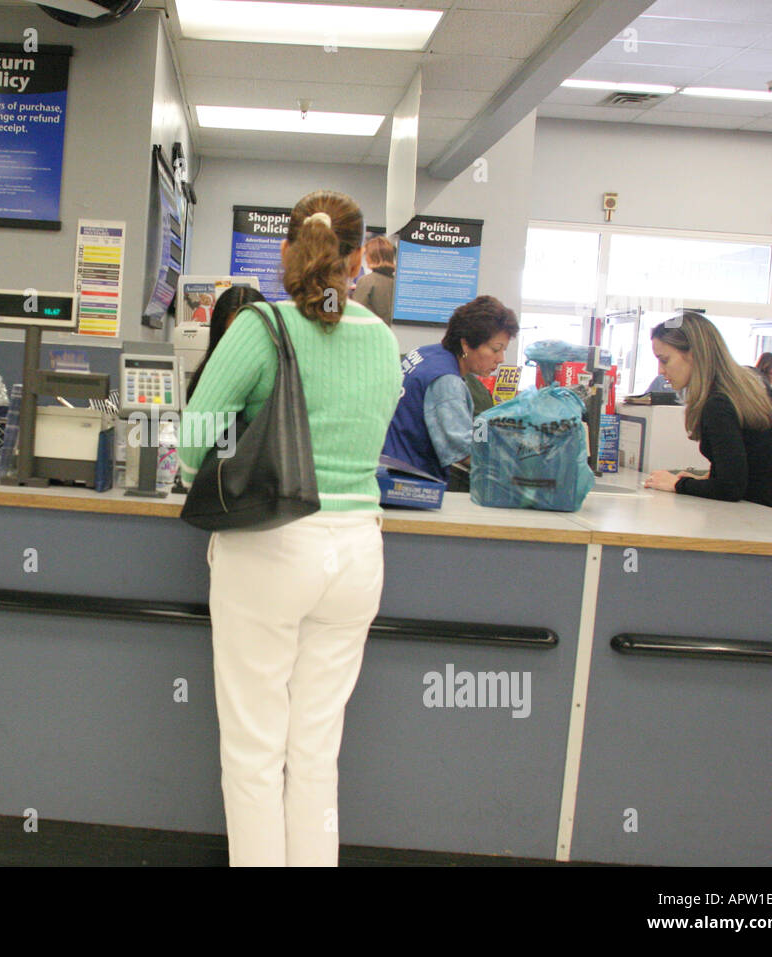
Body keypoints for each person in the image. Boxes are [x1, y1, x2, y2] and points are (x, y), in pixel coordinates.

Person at [178, 190, 401, 867]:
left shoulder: (261, 326)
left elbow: (193, 443)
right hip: (358, 549)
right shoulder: (385, 340)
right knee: (316, 748)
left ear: (288, 249)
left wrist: (244, 432)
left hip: (273, 544)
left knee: (253, 747)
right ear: (361, 257)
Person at [643, 311, 772, 516]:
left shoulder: (718, 404)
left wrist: (679, 484)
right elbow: (757, 466)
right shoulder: (746, 387)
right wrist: (702, 480)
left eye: (665, 360)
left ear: (694, 354)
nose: (660, 370)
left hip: (770, 526)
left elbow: (730, 487)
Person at [383, 295, 520, 483]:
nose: (501, 359)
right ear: (466, 344)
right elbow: (463, 451)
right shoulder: (446, 380)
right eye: (496, 349)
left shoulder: (425, 353)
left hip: (389, 464)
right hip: (410, 480)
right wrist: (519, 465)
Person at [185, 285, 266, 401]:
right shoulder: (207, 381)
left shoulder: (275, 381)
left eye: (247, 337)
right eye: (231, 338)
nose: (240, 347)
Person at [350, 235, 395, 321]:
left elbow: (356, 313)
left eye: (367, 254)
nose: (366, 258)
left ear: (372, 257)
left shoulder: (366, 281)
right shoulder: (397, 284)